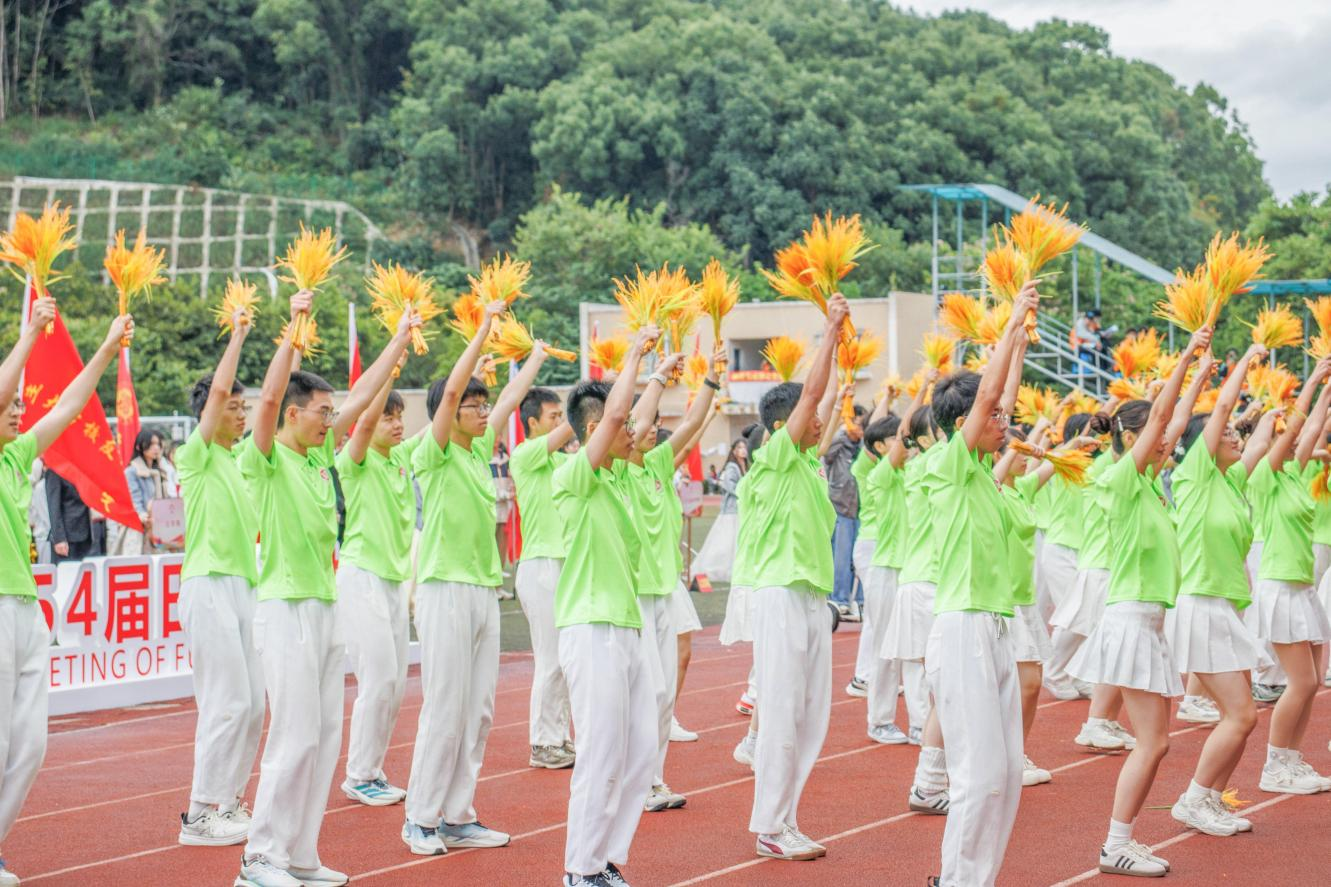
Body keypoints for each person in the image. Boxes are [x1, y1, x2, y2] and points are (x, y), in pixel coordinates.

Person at [234, 291, 415, 887]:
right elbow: (265, 399)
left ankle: (299, 853)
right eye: (320, 411)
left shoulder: (320, 460)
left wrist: (400, 339)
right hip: (284, 608)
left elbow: (364, 394)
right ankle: (259, 858)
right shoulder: (264, 458)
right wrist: (294, 324)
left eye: (331, 412)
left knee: (321, 739)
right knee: (292, 737)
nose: (330, 419)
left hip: (324, 606)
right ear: (293, 415)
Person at [402, 298, 544, 856]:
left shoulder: (479, 448)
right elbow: (453, 392)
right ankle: (420, 817)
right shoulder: (433, 450)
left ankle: (458, 815)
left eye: (483, 406)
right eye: (472, 405)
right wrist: (484, 328)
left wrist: (534, 356)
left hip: (484, 589)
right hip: (444, 588)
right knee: (445, 705)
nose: (483, 412)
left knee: (479, 710)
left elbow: (509, 401)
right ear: (451, 410)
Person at [1067, 326, 1211, 878]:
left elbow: (1173, 421)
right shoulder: (1122, 481)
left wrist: (1200, 374)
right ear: (1131, 439)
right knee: (1152, 744)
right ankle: (1116, 843)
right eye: (1155, 436)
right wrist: (1186, 357)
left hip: (1146, 621)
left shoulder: (1150, 484)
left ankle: (1120, 840)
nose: (1169, 442)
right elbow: (1161, 420)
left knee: (1156, 743)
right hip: (1130, 618)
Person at [0, 299, 131, 887]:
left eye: (19, 406)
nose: (17, 410)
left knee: (30, 746)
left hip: (26, 610)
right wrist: (31, 333)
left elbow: (70, 405)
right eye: (11, 404)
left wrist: (107, 345)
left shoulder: (18, 454)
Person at [922, 282, 1037, 887]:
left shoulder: (985, 478)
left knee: (1008, 773)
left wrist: (1018, 342)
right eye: (992, 418)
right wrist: (1010, 320)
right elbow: (990, 395)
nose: (1005, 422)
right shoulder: (947, 465)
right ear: (963, 422)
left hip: (994, 627)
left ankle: (977, 879)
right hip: (963, 627)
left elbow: (1001, 397)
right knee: (979, 774)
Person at [733, 294, 848, 862]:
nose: (822, 421)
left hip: (810, 597)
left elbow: (826, 399)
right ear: (783, 426)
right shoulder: (773, 461)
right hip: (780, 594)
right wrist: (829, 330)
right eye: (813, 416)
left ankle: (787, 818)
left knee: (809, 717)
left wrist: (840, 354)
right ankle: (771, 826)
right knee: (782, 713)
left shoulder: (806, 463)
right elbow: (813, 396)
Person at [554, 325, 660, 887]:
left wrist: (658, 377)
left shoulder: (619, 478)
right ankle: (580, 869)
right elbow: (620, 415)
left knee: (641, 749)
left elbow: (629, 417)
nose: (636, 431)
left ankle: (604, 856)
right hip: (591, 627)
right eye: (623, 426)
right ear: (596, 431)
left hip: (625, 627)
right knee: (600, 754)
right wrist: (636, 352)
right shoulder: (575, 475)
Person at [1167, 343, 1273, 836]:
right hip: (1201, 604)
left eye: (1233, 432)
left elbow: (1264, 439)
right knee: (1242, 715)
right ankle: (1193, 799)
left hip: (1224, 608)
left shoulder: (1232, 483)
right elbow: (1225, 406)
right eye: (1223, 432)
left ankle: (1210, 798)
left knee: (1243, 715)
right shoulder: (1194, 477)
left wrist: (1293, 400)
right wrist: (1243, 362)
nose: (1232, 434)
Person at [175, 302, 261, 848]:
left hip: (244, 585)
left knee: (253, 704)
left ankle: (228, 801)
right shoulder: (197, 454)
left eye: (244, 406)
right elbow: (219, 391)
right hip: (207, 583)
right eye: (233, 405)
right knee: (226, 701)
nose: (241, 412)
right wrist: (238, 335)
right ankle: (199, 813)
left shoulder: (239, 459)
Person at [623, 345, 722, 813]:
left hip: (665, 589)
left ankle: (653, 778)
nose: (653, 427)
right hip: (635, 595)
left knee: (663, 693)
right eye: (645, 422)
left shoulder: (659, 464)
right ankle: (635, 780)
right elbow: (635, 419)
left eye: (656, 422)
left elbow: (692, 422)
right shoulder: (618, 470)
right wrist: (657, 374)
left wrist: (711, 379)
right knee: (646, 692)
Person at [1247, 355, 1331, 795]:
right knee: (1300, 682)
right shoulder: (1265, 476)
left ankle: (1292, 761)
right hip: (1280, 584)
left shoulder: (1295, 474)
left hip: (1301, 586)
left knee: (1311, 682)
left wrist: (1328, 391)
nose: (1293, 439)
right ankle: (1274, 765)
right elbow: (1300, 425)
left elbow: (1311, 428)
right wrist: (1313, 378)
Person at [336, 369, 418, 808]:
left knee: (396, 685)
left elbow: (440, 427)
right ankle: (359, 774)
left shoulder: (401, 458)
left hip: (393, 581)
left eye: (399, 416)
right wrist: (387, 374)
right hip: (362, 576)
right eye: (389, 416)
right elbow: (364, 422)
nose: (397, 423)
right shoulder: (355, 459)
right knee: (379, 678)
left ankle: (373, 769)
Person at [510, 386, 576, 770]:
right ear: (533, 422)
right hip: (540, 566)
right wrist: (590, 404)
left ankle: (559, 736)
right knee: (550, 658)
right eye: (554, 417)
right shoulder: (525, 455)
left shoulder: (562, 462)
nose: (560, 423)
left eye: (561, 415)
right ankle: (543, 742)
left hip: (564, 564)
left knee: (566, 659)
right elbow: (571, 431)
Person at [823, 403, 865, 619]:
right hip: (841, 506)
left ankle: (860, 600)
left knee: (859, 559)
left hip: (860, 508)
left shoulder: (863, 446)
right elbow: (825, 452)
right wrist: (842, 429)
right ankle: (839, 599)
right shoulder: (839, 445)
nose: (859, 428)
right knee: (841, 557)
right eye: (856, 422)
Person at [690, 436, 748, 584]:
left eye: (744, 447)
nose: (743, 450)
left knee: (737, 540)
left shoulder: (745, 466)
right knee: (726, 541)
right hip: (731, 509)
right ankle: (719, 568)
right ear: (734, 451)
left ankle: (737, 567)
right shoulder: (732, 467)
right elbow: (729, 485)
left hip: (740, 508)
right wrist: (744, 492)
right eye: (739, 448)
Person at [111, 428, 168, 555]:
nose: (156, 448)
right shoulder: (132, 471)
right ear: (140, 446)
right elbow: (134, 499)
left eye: (158, 444)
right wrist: (143, 516)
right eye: (151, 444)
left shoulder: (159, 471)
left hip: (158, 527)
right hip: (138, 527)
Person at [46, 467, 105, 562]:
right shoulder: (55, 469)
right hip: (67, 537)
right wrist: (59, 539)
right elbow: (54, 507)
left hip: (88, 533)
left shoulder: (83, 466)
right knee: (67, 570)